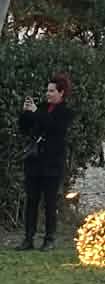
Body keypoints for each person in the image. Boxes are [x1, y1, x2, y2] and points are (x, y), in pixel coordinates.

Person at [16, 74, 73, 252]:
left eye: (52, 91)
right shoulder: (41, 108)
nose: (48, 94)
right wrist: (26, 113)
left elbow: (54, 128)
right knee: (31, 201)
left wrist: (36, 113)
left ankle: (49, 238)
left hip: (52, 163)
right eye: (47, 90)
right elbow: (25, 129)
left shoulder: (65, 112)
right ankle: (28, 238)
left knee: (49, 203)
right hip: (35, 162)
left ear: (61, 93)